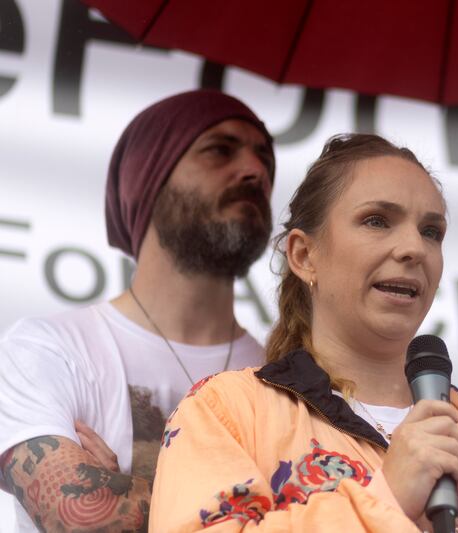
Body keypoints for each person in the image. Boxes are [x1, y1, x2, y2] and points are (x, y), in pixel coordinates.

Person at [149, 134, 458, 532]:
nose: (414, 248)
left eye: (431, 231)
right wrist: (385, 499)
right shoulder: (228, 410)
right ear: (304, 255)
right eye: (377, 220)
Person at [0, 89, 276, 532]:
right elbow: (86, 517)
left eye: (264, 157)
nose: (254, 170)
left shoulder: (283, 377)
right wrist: (275, 503)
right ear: (149, 176)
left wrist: (126, 486)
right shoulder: (44, 350)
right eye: (219, 150)